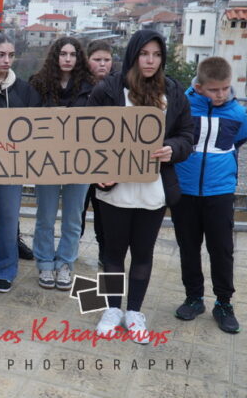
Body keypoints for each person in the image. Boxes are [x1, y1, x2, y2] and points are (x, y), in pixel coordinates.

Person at [88, 29, 193, 343]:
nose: (150, 61)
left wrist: (173, 148)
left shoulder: (172, 91)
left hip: (153, 188)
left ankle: (134, 311)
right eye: (145, 54)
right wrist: (98, 171)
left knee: (143, 254)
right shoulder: (108, 89)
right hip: (115, 189)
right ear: (133, 55)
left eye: (157, 55)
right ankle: (111, 309)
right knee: (112, 253)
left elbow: (187, 135)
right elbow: (87, 136)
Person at [172, 57, 247, 333]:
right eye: (214, 89)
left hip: (220, 191)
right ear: (199, 87)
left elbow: (240, 139)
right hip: (185, 190)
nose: (221, 94)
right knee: (188, 247)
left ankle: (224, 303)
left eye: (225, 88)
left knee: (222, 249)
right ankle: (194, 298)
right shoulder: (183, 105)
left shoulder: (238, 113)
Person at [0, 31, 41, 293]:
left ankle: (4, 270)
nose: (6, 60)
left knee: (9, 220)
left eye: (11, 55)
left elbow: (37, 125)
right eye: (1, 55)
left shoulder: (23, 90)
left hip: (12, 168)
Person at [29, 37, 94, 291]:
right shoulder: (38, 83)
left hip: (81, 162)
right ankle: (45, 262)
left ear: (79, 58)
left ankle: (65, 263)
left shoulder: (91, 86)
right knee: (45, 216)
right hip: (47, 161)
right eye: (63, 54)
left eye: (72, 54)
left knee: (73, 218)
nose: (68, 59)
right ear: (55, 56)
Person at [81, 40, 114, 266]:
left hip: (107, 159)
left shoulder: (118, 87)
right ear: (88, 60)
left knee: (105, 212)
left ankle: (106, 252)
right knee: (78, 210)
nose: (102, 64)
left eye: (106, 60)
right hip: (82, 159)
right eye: (97, 60)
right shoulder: (79, 85)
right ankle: (72, 248)